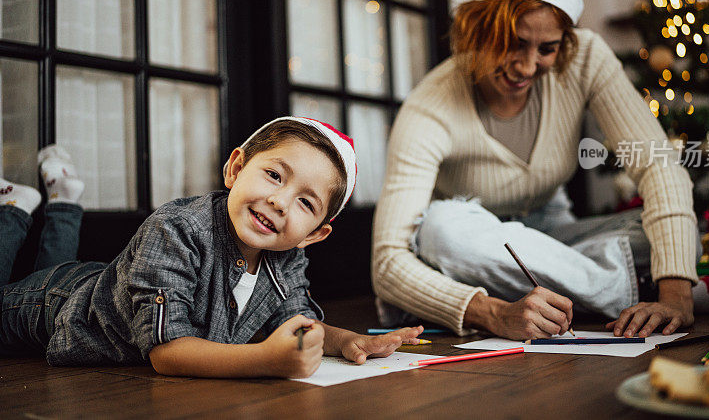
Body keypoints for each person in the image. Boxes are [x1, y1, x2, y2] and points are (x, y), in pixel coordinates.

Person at [371, 0, 709, 341]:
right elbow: (388, 262)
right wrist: (495, 313)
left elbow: (658, 165)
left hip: (558, 241)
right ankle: (688, 293)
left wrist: (675, 294)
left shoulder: (586, 57)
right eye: (513, 44)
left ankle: (613, 292)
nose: (527, 66)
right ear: (477, 30)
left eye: (547, 49)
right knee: (442, 230)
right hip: (482, 255)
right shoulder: (430, 106)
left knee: (665, 230)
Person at [1, 118, 422, 378]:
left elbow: (298, 326)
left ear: (314, 234)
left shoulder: (287, 255)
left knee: (55, 268)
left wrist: (349, 342)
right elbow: (168, 353)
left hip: (99, 281)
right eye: (274, 176)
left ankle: (59, 204)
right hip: (57, 306)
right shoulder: (176, 229)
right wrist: (266, 360)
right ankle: (14, 212)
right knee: (17, 290)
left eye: (306, 203)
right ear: (236, 169)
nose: (280, 201)